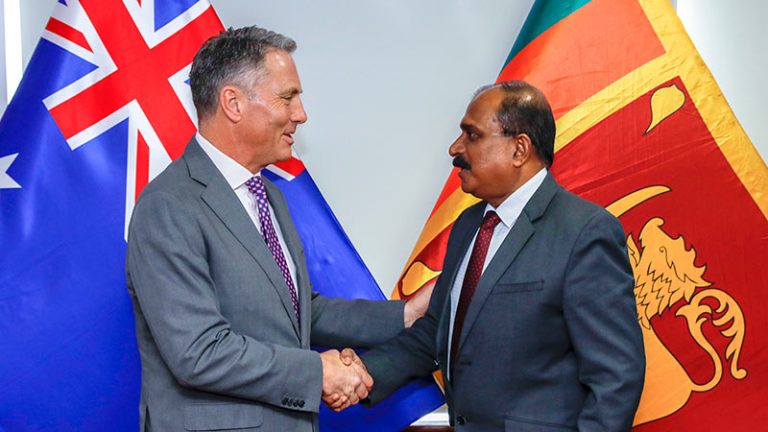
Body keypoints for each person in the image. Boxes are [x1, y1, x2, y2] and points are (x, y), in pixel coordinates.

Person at [125, 26, 430, 432]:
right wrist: (318, 372)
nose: (301, 114)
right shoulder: (169, 206)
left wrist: (405, 314)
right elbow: (199, 351)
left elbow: (299, 310)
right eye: (288, 97)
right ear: (232, 102)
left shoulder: (268, 194)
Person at [352, 81, 645, 431]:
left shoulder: (585, 232)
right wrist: (363, 374)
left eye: (471, 136)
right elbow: (437, 331)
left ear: (519, 149)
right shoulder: (469, 225)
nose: (454, 149)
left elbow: (616, 376)